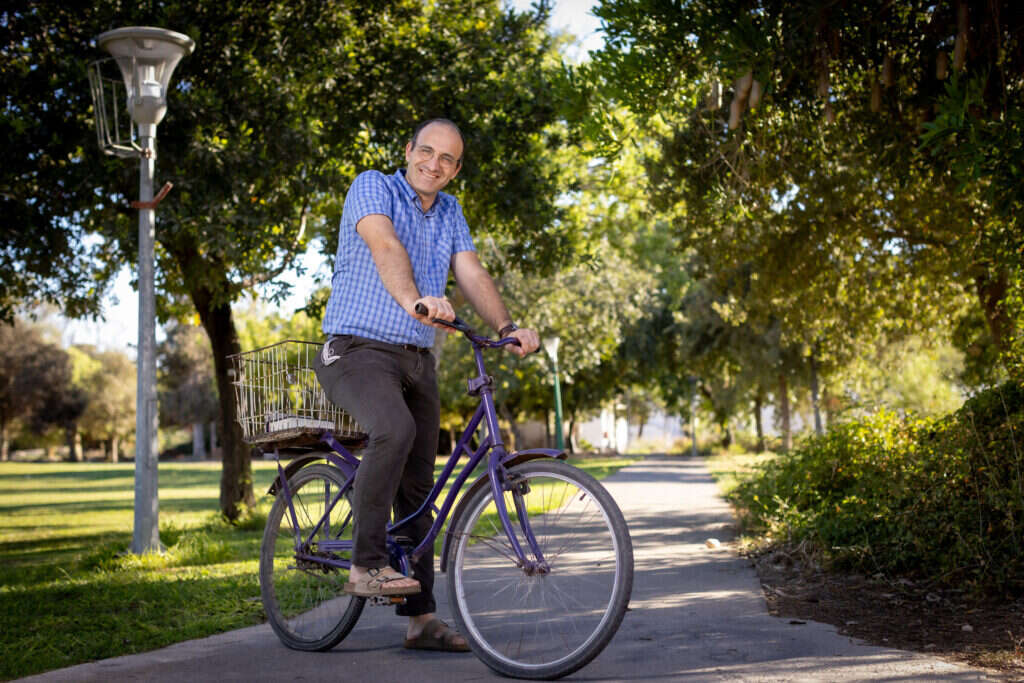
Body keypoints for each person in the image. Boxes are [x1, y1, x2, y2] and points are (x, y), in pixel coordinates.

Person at [313, 118, 540, 652]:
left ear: (456, 170)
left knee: (419, 488)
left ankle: (421, 620)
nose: (434, 164)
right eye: (427, 151)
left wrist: (507, 328)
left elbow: (471, 272)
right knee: (391, 429)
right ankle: (366, 564)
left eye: (448, 159)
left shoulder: (452, 212)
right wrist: (416, 299)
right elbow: (385, 245)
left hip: (417, 360)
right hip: (355, 349)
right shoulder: (374, 185)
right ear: (408, 149)